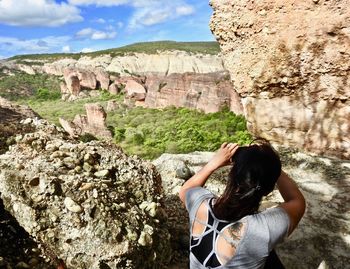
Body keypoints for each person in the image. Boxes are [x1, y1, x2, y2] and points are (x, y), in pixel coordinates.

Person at [179, 141, 306, 269]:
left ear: (232, 174)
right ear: (268, 190)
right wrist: (269, 166)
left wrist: (214, 163)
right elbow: (297, 201)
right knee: (266, 250)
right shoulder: (262, 231)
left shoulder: (199, 204)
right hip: (252, 243)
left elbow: (185, 190)